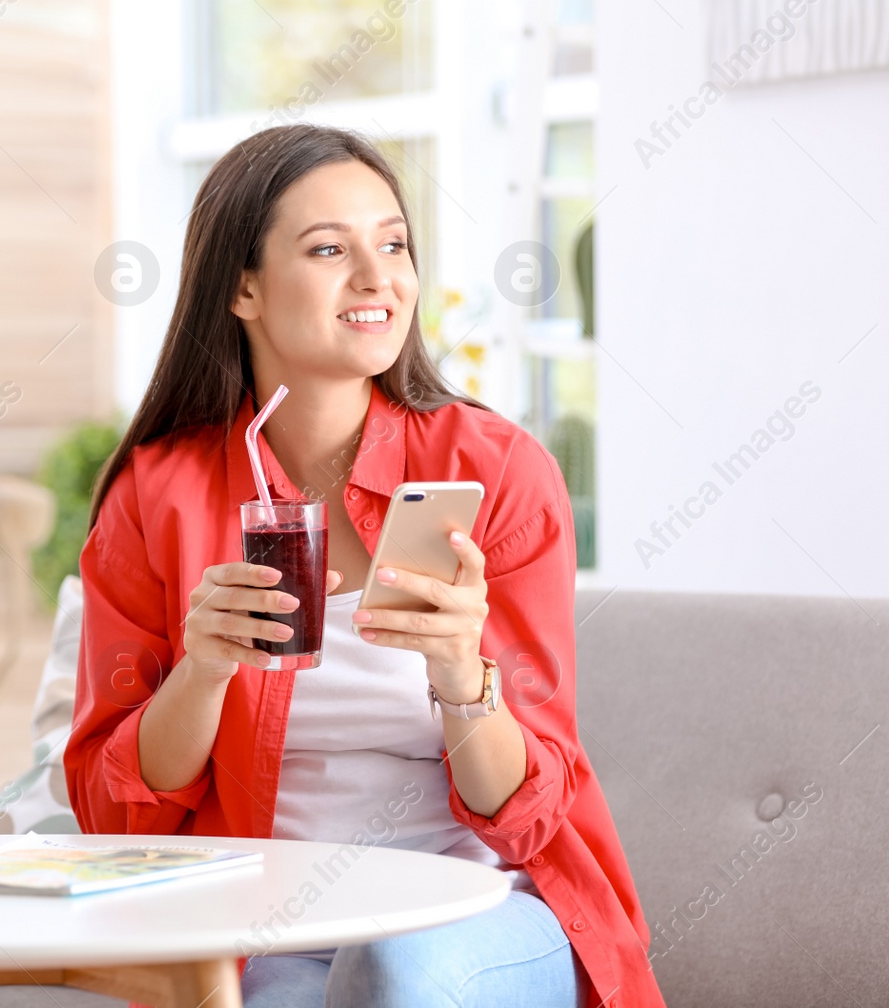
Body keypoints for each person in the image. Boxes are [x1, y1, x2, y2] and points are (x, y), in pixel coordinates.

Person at [63, 124, 664, 1008]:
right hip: (271, 933)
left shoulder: (495, 470)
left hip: (484, 914)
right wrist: (202, 672)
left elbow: (529, 809)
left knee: (391, 968)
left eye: (393, 244)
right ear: (243, 288)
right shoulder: (160, 493)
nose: (378, 277)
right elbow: (114, 816)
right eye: (328, 249)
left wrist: (464, 678)